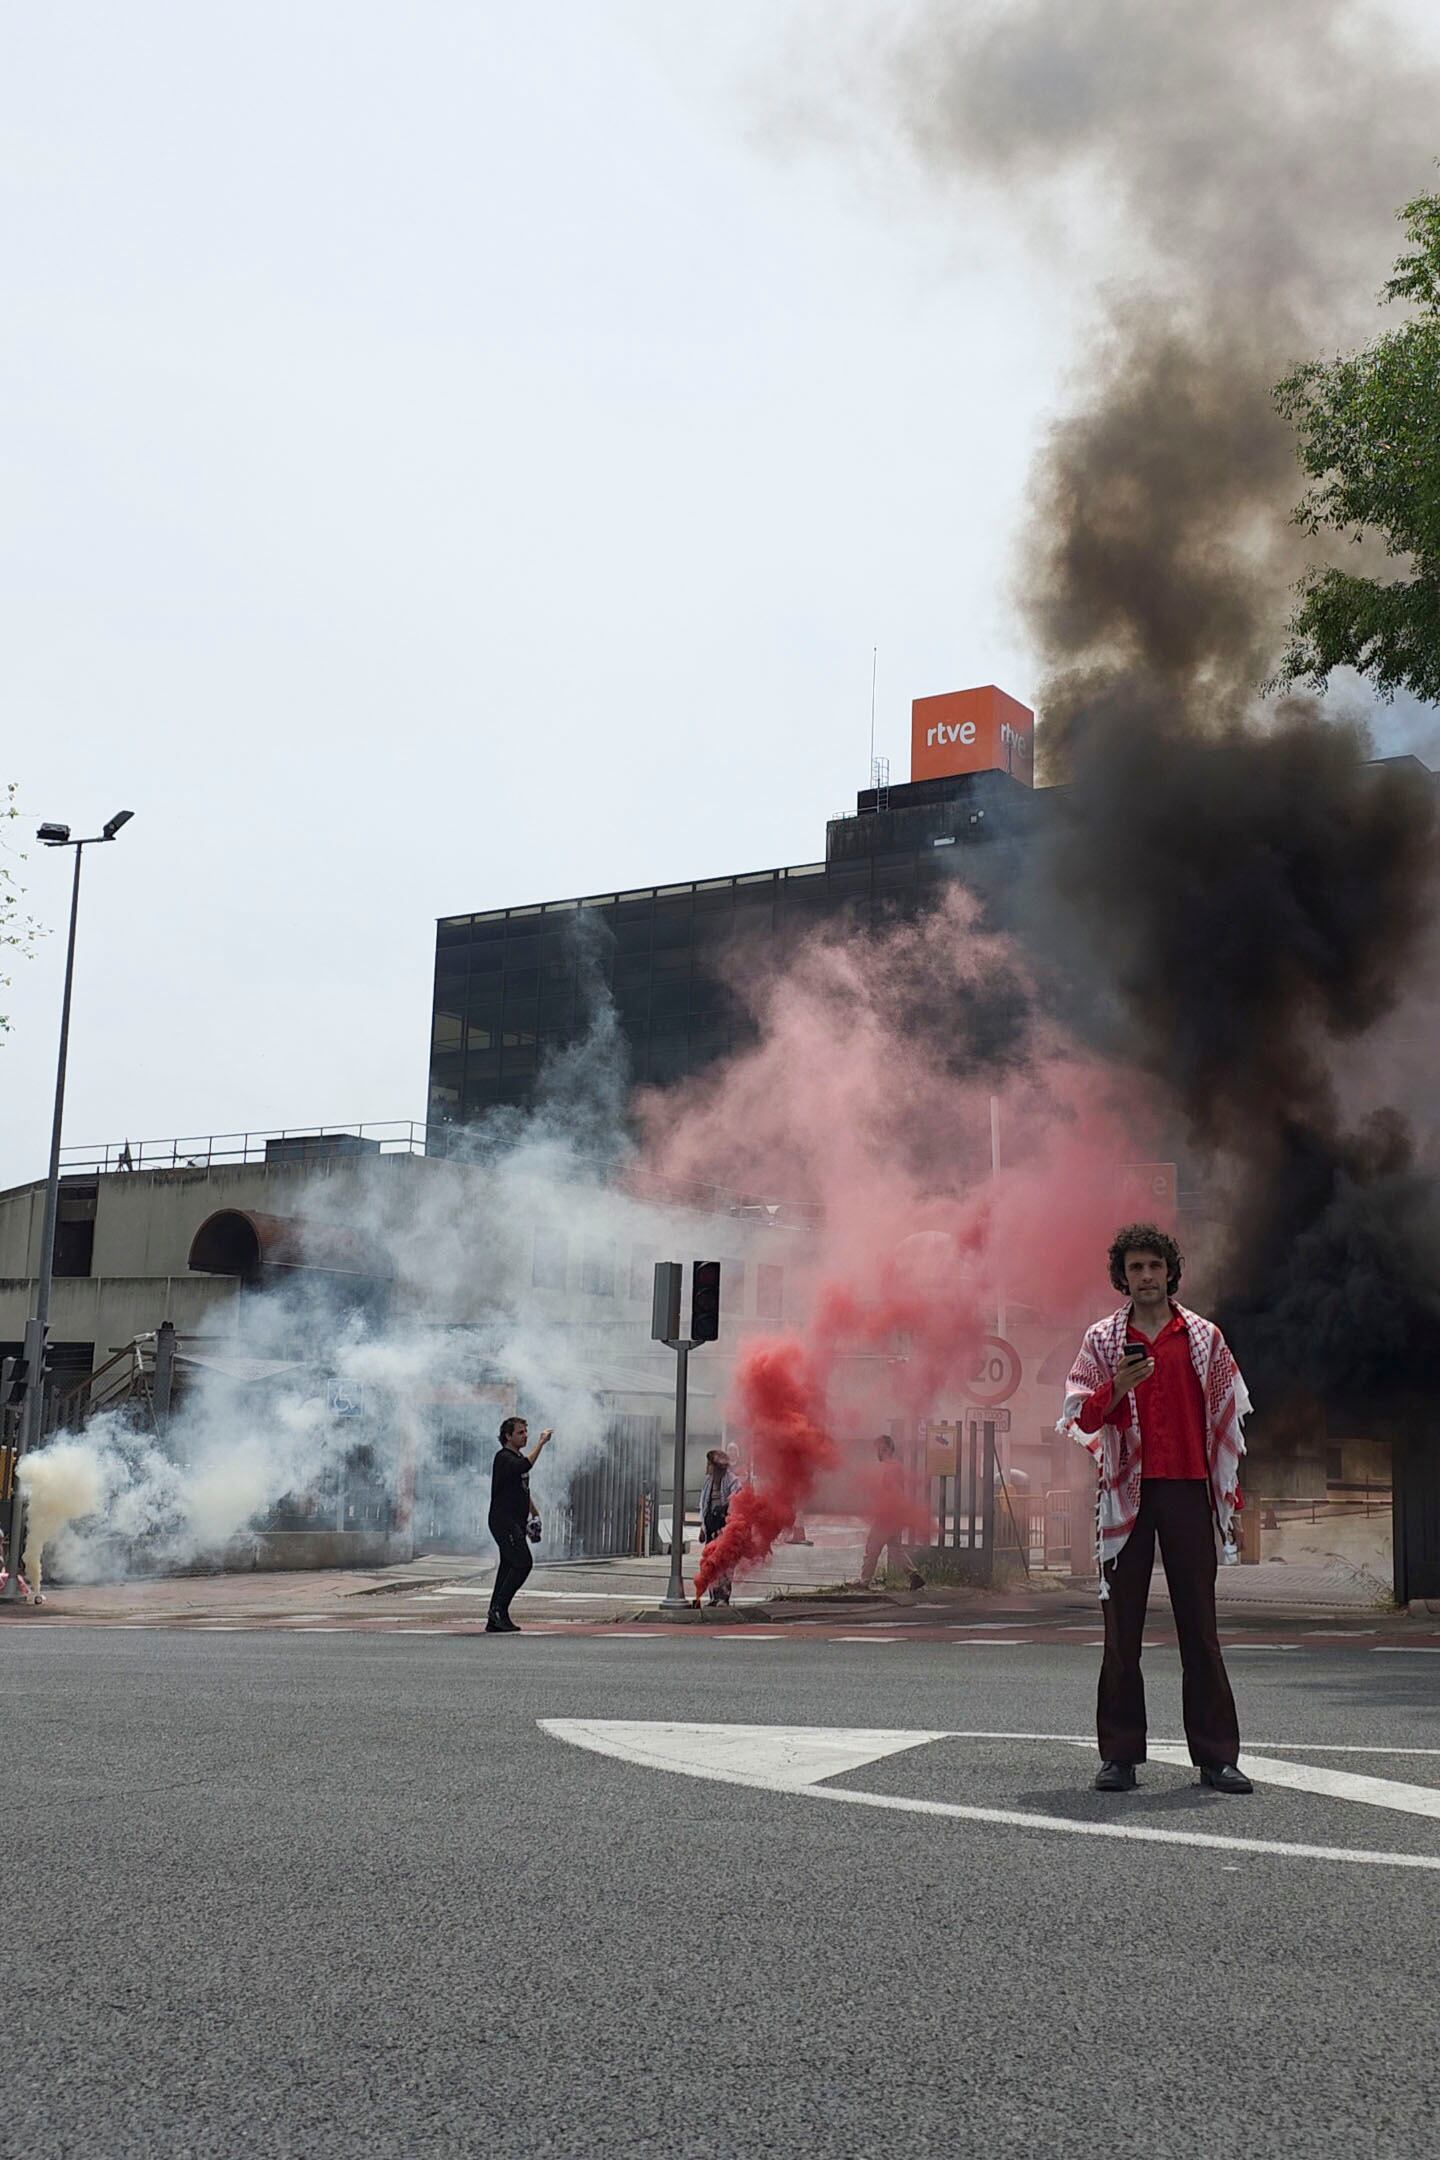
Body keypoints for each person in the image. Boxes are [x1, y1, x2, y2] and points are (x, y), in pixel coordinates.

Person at [1060, 1222, 1252, 1796]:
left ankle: (1217, 1758)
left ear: (1171, 1272)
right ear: (1122, 1277)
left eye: (1154, 1266)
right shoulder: (1100, 1340)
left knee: (1202, 1629)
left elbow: (1226, 1417)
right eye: (1135, 1268)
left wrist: (1230, 1496)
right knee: (1122, 1631)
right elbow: (1081, 1418)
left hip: (1189, 1491)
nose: (1146, 1276)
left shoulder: (1205, 1336)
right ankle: (1119, 1757)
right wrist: (1115, 1386)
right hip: (1127, 1493)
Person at [486, 1415, 552, 1634]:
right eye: (520, 1433)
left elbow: (523, 1489)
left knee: (508, 1566)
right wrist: (541, 1443)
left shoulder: (517, 1457)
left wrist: (534, 1513)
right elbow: (525, 1466)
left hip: (515, 1520)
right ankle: (498, 1609)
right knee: (523, 1562)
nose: (525, 1436)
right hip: (503, 1520)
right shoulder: (504, 1457)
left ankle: (496, 1616)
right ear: (508, 1436)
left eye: (526, 1432)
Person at [857, 1434, 925, 1592]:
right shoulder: (897, 1466)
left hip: (887, 1516)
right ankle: (914, 1576)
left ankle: (864, 1582)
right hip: (895, 1514)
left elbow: (889, 1491)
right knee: (895, 1548)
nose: (877, 1454)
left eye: (878, 1450)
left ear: (885, 1449)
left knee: (872, 1547)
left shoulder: (889, 1468)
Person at [698, 1448, 740, 1606]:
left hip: (724, 1527)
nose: (707, 1467)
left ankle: (724, 1596)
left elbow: (737, 1501)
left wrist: (724, 1512)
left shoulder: (732, 1481)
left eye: (710, 1464)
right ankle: (714, 1596)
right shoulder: (708, 1483)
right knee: (711, 1562)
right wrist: (703, 1528)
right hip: (710, 1528)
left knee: (725, 1563)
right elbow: (703, 1506)